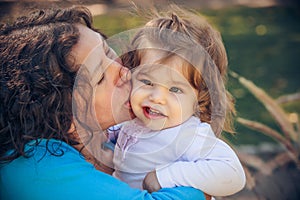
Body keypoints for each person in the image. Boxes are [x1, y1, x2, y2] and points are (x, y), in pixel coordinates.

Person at [0, 6, 206, 200]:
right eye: (100, 77)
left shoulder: (111, 137)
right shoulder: (33, 165)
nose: (125, 72)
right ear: (63, 112)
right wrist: (201, 180)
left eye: (109, 52)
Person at [110, 6, 246, 198]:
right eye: (147, 82)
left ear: (200, 99)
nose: (157, 97)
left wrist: (165, 176)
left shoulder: (188, 135)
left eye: (175, 89)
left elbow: (233, 174)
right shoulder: (133, 122)